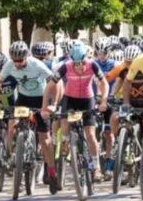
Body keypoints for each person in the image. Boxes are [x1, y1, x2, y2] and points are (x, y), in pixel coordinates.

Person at [0, 41, 57, 193]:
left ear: (27, 57)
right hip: (23, 98)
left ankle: (52, 172)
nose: (17, 63)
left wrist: (52, 103)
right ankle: (14, 157)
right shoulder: (9, 65)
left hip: (40, 99)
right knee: (12, 125)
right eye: (14, 60)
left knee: (45, 139)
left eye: (20, 60)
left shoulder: (37, 64)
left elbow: (54, 81)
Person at [43, 40, 109, 183]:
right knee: (64, 124)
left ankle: (96, 167)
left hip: (87, 99)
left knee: (90, 134)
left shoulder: (92, 65)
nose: (79, 66)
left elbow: (104, 83)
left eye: (81, 62)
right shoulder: (66, 66)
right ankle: (66, 142)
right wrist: (45, 107)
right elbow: (50, 86)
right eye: (76, 63)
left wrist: (103, 101)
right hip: (70, 99)